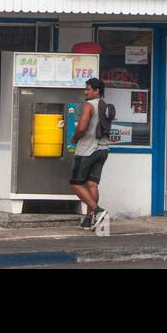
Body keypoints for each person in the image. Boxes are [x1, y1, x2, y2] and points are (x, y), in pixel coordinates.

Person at [69, 77, 110, 229]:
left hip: (87, 150)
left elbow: (82, 127)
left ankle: (99, 211)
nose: (85, 92)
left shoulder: (89, 105)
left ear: (97, 90)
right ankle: (88, 219)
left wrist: (73, 138)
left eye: (88, 89)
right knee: (92, 184)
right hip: (103, 149)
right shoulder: (105, 105)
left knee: (76, 184)